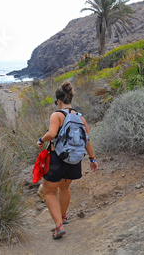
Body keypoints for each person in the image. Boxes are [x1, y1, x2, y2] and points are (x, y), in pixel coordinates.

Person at [36, 81, 98, 239]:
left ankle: (58, 226)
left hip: (56, 159)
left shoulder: (56, 115)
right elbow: (87, 140)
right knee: (64, 188)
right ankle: (63, 216)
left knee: (49, 192)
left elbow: (51, 134)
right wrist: (92, 159)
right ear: (70, 99)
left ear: (58, 101)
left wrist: (41, 139)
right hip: (74, 161)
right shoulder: (80, 118)